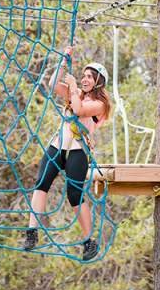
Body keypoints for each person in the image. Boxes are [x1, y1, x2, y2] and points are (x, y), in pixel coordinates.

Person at [23, 46, 112, 260]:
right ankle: (32, 231)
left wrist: (73, 87)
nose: (84, 79)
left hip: (77, 150)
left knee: (74, 195)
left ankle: (89, 241)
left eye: (90, 77)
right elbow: (53, 84)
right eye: (84, 75)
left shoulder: (99, 104)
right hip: (58, 145)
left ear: (98, 82)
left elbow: (80, 110)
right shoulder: (76, 93)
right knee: (41, 183)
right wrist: (64, 61)